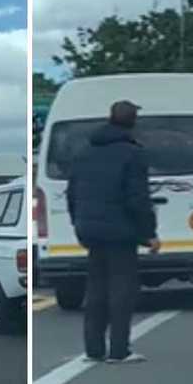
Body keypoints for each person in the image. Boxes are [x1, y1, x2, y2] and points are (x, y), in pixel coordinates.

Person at [67, 100, 158, 364]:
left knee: (95, 289)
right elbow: (137, 198)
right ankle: (119, 349)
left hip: (89, 228)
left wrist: (79, 223)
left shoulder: (85, 152)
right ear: (132, 122)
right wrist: (149, 233)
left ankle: (93, 349)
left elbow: (72, 193)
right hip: (120, 231)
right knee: (122, 290)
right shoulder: (133, 154)